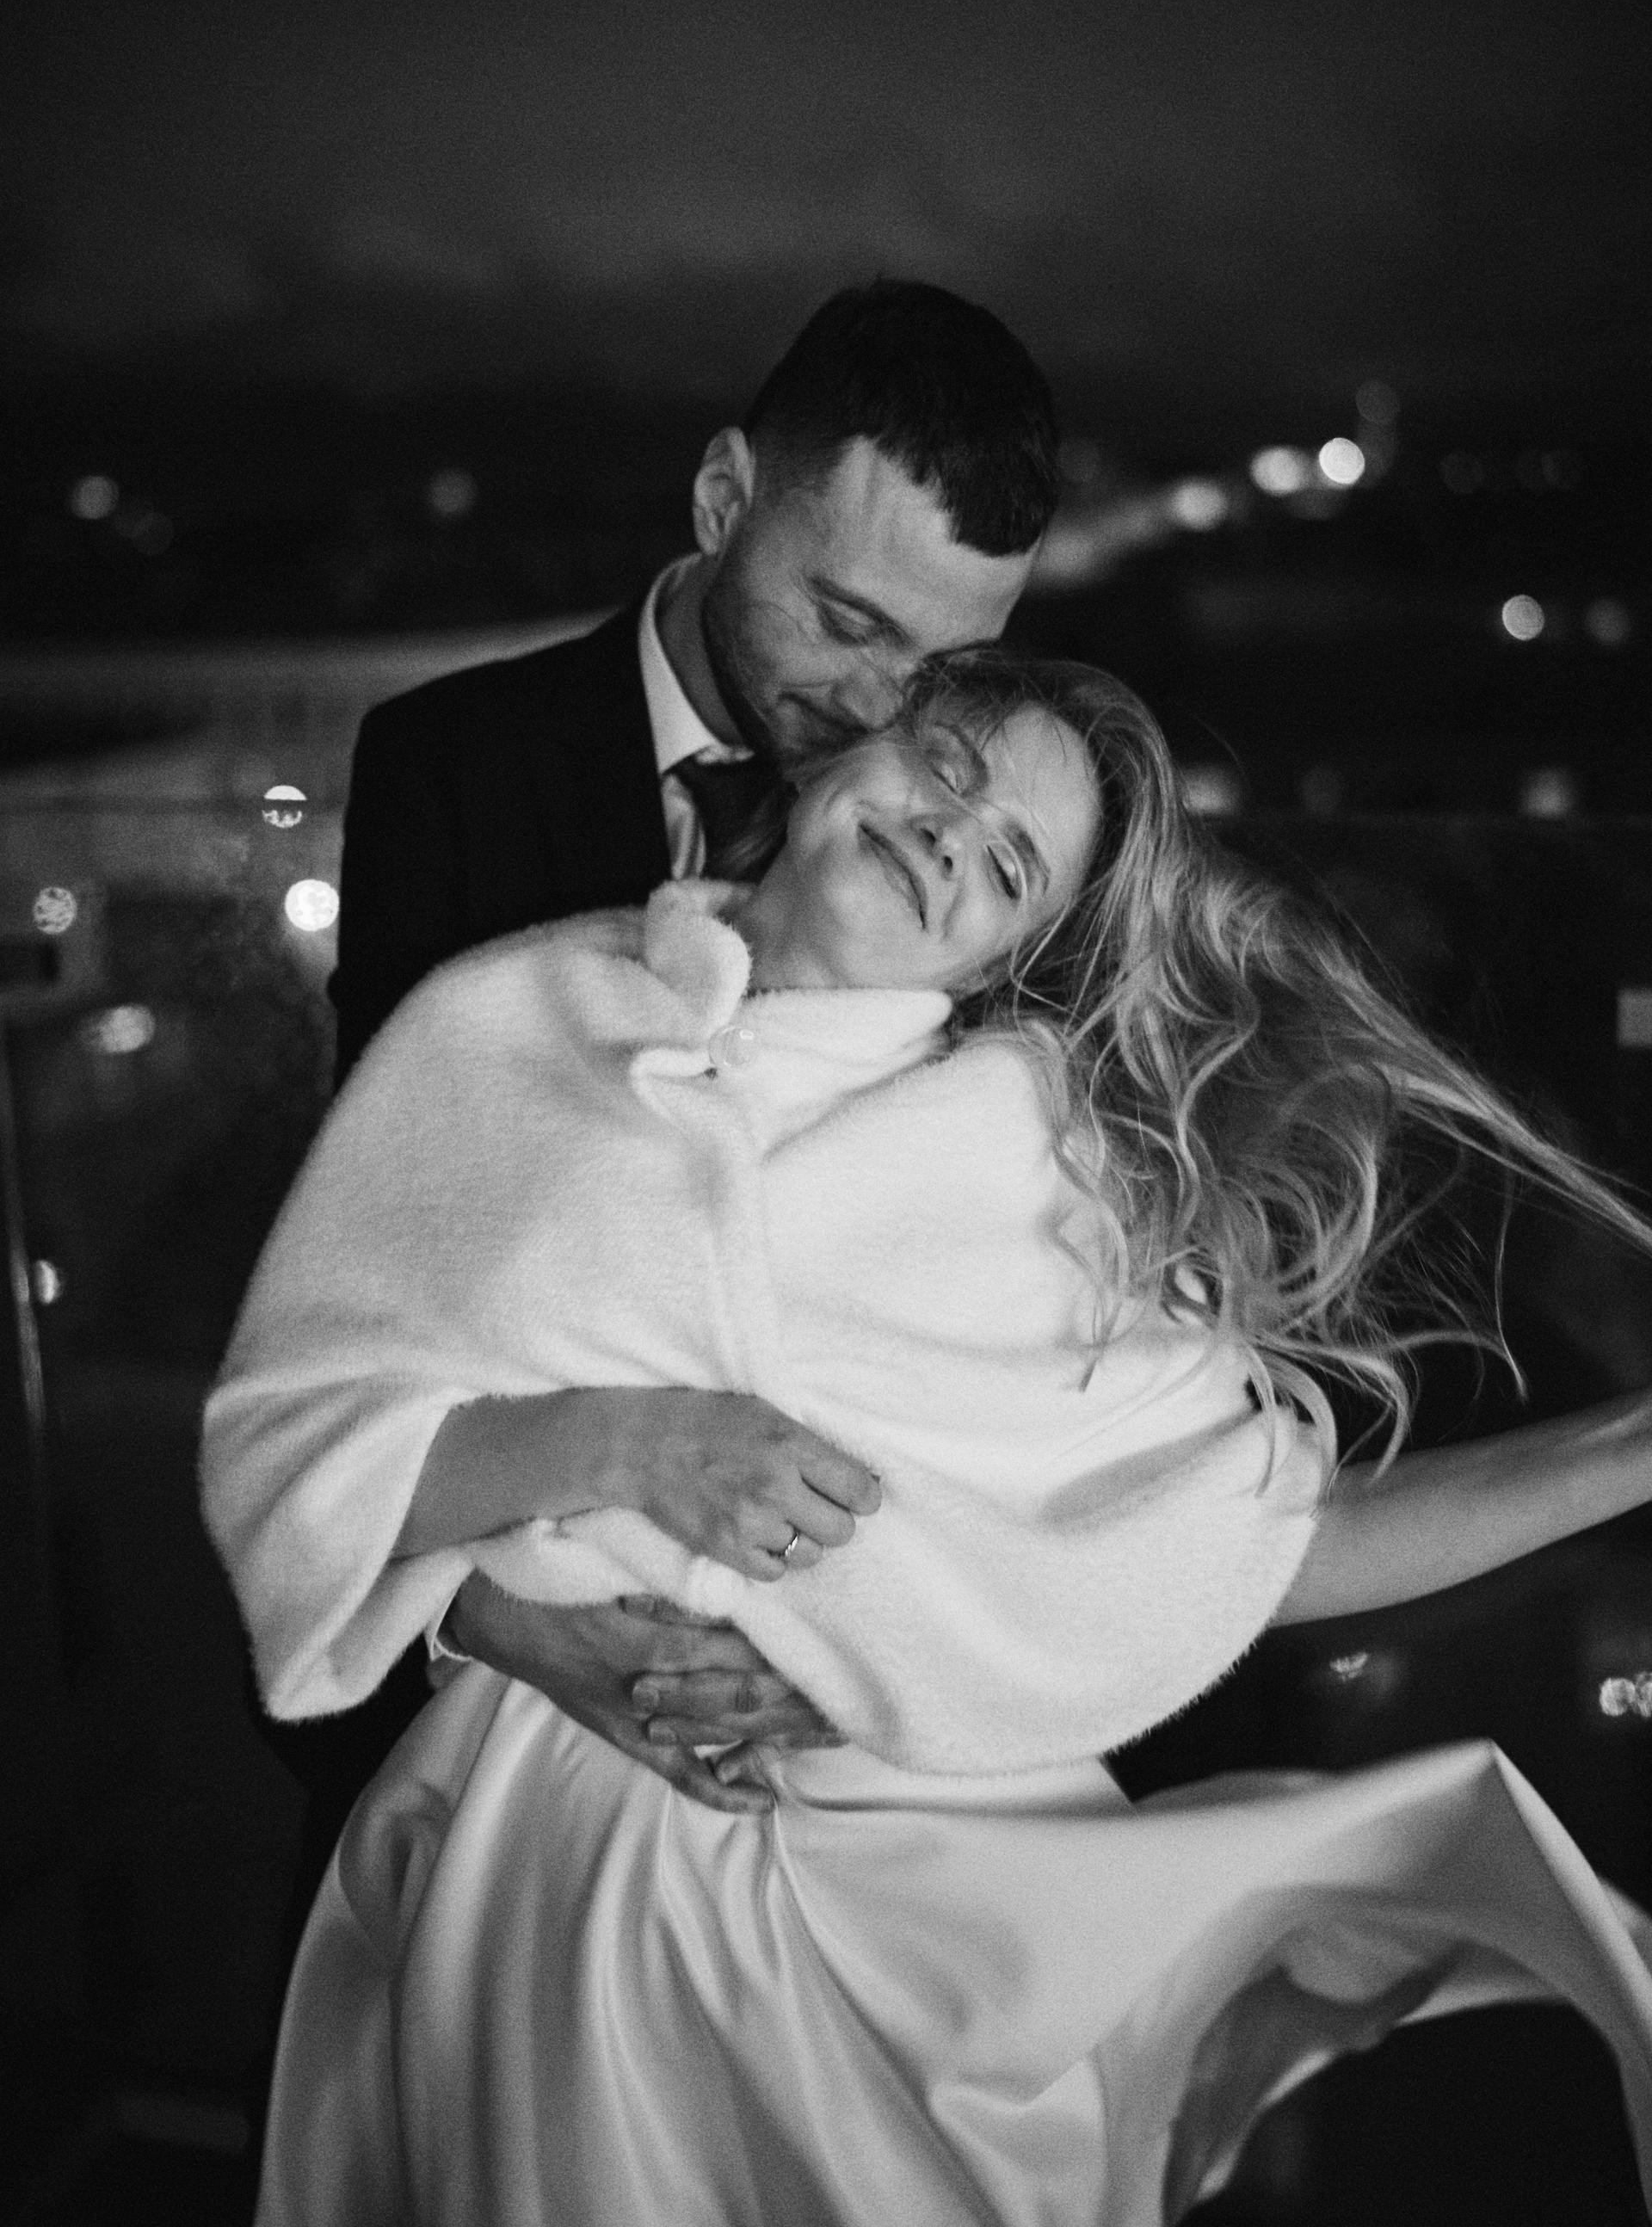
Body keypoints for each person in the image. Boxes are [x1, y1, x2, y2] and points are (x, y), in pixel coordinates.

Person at [204, 648, 1652, 2225]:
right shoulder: (509, 1018)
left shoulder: (1043, 1176)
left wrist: (1626, 1451)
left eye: (1011, 865)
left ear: (1009, 954)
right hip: (529, 1867)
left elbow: (1261, 1548)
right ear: (844, 749)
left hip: (885, 1912)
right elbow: (297, 1452)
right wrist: (620, 1453)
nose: (952, 839)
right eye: (946, 770)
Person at [284, 279, 1063, 1867]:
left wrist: (876, 1648)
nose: (882, 709)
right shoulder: (450, 768)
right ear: (721, 498)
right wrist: (492, 1619)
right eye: (848, 623)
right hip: (496, 1628)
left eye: (945, 664)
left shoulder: (967, 850)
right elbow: (375, 1270)